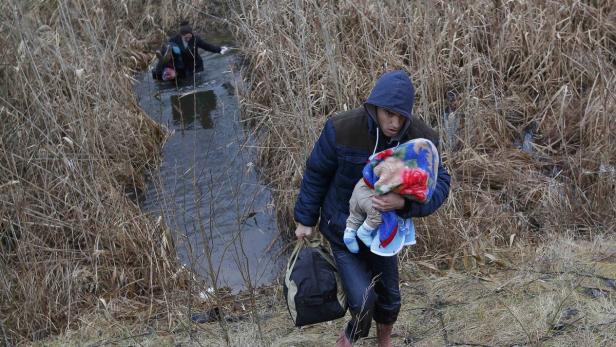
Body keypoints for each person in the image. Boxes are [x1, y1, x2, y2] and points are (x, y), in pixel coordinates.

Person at [293, 70, 451, 346]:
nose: (394, 122)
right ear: (374, 107)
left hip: (384, 233)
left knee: (389, 299)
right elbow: (316, 172)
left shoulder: (420, 141)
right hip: (342, 227)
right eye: (388, 113)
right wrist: (305, 219)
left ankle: (384, 343)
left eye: (401, 116)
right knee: (363, 300)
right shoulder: (342, 129)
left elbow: (441, 184)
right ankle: (349, 337)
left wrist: (404, 204)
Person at [344, 138, 440, 257]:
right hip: (366, 195)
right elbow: (381, 189)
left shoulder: (393, 157)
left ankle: (349, 233)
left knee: (355, 214)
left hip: (358, 188)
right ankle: (364, 232)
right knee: (377, 214)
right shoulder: (397, 168)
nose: (394, 123)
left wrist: (404, 204)